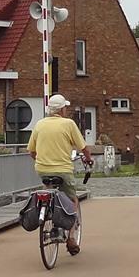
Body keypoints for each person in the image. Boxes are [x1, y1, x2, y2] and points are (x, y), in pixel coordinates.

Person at [27, 93, 92, 255]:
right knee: (72, 200)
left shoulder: (40, 124)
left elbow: (31, 151)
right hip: (63, 170)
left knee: (48, 192)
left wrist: (42, 160)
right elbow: (83, 147)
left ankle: (47, 211)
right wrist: (89, 159)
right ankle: (70, 237)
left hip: (42, 169)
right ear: (62, 109)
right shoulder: (68, 124)